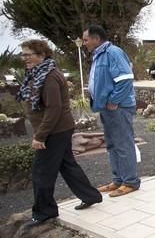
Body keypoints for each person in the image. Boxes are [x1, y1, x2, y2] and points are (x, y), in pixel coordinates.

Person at [16, 39, 102, 226]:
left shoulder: (49, 77)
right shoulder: (38, 73)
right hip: (57, 128)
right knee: (67, 165)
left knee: (41, 172)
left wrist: (40, 136)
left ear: (41, 55)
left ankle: (44, 213)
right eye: (23, 55)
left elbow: (53, 109)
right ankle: (90, 196)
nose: (24, 58)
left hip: (54, 130)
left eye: (28, 55)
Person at [83, 25, 140, 197]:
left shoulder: (113, 52)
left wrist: (114, 101)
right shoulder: (99, 55)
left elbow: (126, 79)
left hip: (118, 107)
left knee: (123, 143)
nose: (84, 43)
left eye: (86, 39)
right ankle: (118, 180)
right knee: (112, 144)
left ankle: (130, 182)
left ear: (96, 39)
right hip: (106, 107)